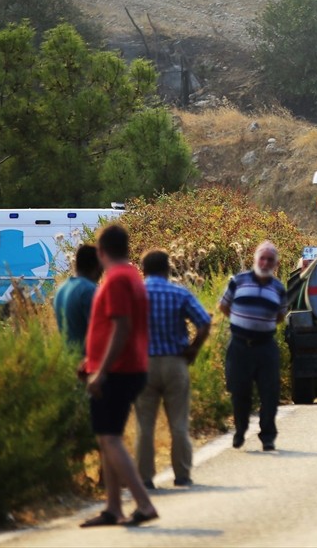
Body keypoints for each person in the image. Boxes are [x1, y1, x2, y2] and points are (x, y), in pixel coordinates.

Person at [80, 223, 158, 527]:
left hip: (118, 370)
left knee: (110, 438)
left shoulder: (116, 280)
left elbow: (121, 327)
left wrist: (100, 371)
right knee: (107, 437)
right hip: (126, 366)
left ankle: (143, 504)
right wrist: (91, 361)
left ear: (101, 251)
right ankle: (113, 507)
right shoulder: (132, 275)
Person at [134, 249, 212, 490]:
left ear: (143, 270)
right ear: (168, 269)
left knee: (144, 426)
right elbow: (204, 322)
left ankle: (145, 478)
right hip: (175, 363)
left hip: (143, 364)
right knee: (178, 423)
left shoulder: (134, 294)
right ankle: (182, 474)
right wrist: (193, 349)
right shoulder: (179, 293)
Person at [219, 241, 288, 452]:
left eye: (270, 260)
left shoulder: (279, 288)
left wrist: (260, 326)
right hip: (239, 346)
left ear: (275, 264)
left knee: (270, 393)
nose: (265, 263)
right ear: (255, 259)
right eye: (262, 258)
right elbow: (224, 306)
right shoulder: (237, 281)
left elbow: (280, 316)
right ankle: (240, 431)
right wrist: (241, 323)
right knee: (239, 391)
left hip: (265, 347)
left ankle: (268, 437)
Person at [54, 244, 102, 356]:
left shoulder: (61, 289)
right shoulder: (89, 290)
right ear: (95, 266)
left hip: (67, 358)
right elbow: (98, 331)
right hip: (86, 359)